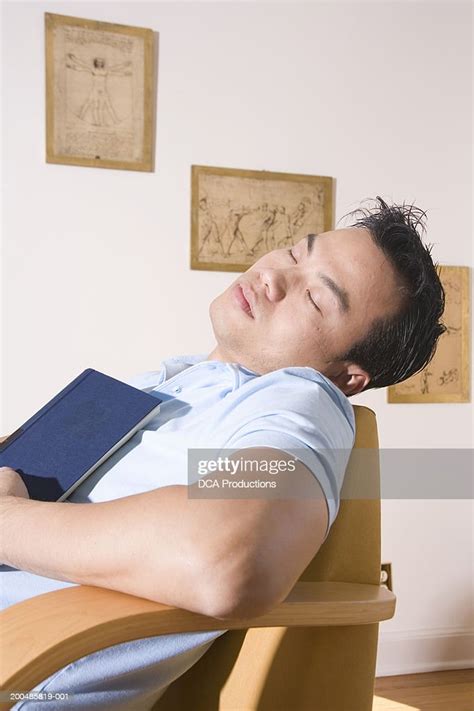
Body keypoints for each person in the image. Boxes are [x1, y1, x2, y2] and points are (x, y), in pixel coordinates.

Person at [0, 197, 446, 709]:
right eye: (295, 253)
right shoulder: (167, 384)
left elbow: (227, 554)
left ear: (348, 376)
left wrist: (7, 520)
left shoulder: (299, 397)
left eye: (316, 299)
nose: (273, 277)